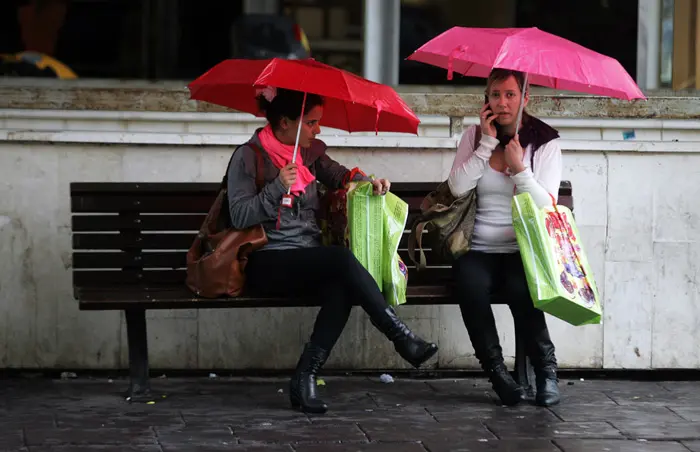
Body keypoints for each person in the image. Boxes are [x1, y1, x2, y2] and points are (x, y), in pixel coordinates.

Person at [226, 87, 438, 414]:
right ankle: (399, 335)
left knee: (343, 286)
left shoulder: (310, 154)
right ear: (285, 123)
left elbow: (340, 175)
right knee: (340, 261)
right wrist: (276, 188)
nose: (318, 130)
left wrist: (369, 182)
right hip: (267, 261)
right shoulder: (248, 156)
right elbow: (239, 215)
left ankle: (305, 376)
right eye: (311, 123)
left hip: (308, 259)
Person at [448, 69, 562, 407]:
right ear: (486, 99)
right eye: (495, 94)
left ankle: (546, 371)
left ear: (525, 98)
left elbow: (548, 206)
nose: (502, 102)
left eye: (510, 94)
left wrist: (521, 172)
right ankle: (498, 373)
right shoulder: (473, 137)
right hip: (478, 246)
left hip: (522, 248)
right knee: (468, 284)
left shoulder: (545, 141)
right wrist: (485, 146)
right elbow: (456, 188)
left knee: (521, 287)